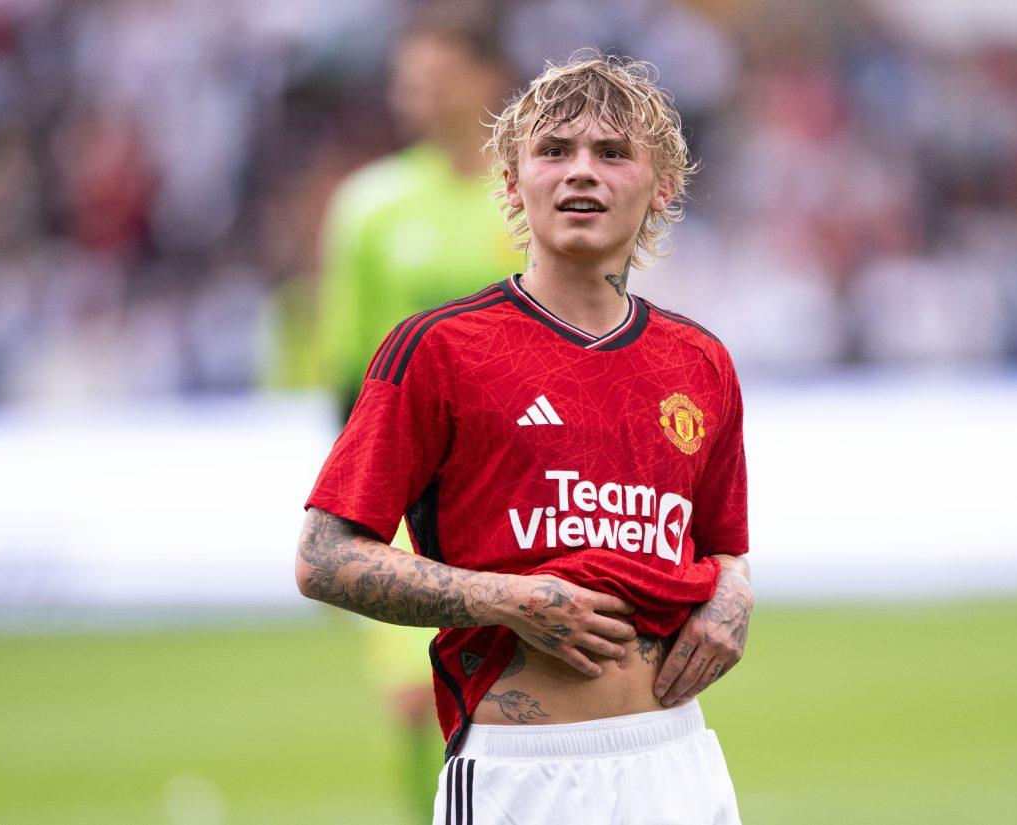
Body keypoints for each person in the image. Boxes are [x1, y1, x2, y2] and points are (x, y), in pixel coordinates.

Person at [296, 50, 753, 824]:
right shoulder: (437, 348)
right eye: (553, 151)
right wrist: (506, 598)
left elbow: (723, 549)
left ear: (662, 188)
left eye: (612, 153)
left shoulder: (699, 361)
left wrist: (733, 598)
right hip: (521, 777)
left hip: (677, 761)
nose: (581, 172)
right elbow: (323, 556)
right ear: (510, 183)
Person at [308, 11, 525, 821]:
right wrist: (354, 505)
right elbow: (345, 374)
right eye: (407, 78)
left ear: (481, 79)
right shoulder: (369, 208)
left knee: (521, 695)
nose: (414, 93)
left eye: (431, 75)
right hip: (407, 495)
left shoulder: (531, 198)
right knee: (415, 698)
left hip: (523, 486)